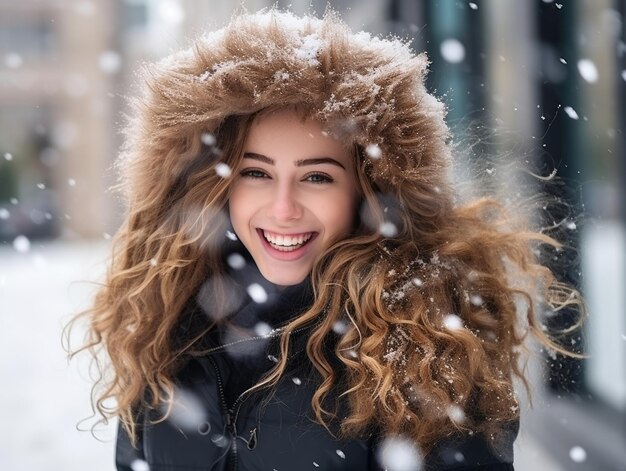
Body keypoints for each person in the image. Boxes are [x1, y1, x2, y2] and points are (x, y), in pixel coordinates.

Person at [67, 9, 583, 471]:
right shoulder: (165, 316)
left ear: (367, 189)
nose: (284, 207)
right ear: (216, 182)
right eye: (256, 173)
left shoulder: (425, 339)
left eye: (317, 177)